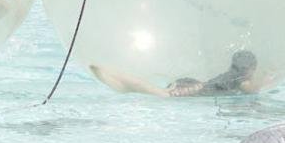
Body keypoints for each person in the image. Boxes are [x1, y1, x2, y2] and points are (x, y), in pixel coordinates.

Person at [89, 50, 260, 97]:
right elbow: (251, 89)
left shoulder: (229, 75)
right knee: (157, 92)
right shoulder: (240, 79)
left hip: (191, 84)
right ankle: (111, 72)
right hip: (192, 88)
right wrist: (266, 80)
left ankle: (106, 76)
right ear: (250, 68)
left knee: (134, 91)